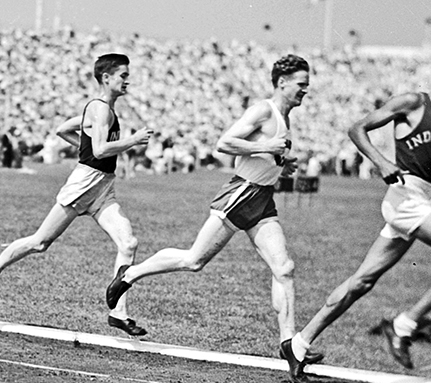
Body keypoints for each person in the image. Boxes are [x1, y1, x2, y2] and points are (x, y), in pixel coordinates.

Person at [282, 53, 431, 383]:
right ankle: (404, 325)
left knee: (362, 282)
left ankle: (298, 343)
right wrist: (380, 162)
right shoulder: (414, 102)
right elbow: (357, 128)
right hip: (404, 196)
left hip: (423, 198)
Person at [104, 56, 317, 350]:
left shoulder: (285, 118)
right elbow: (225, 143)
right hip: (241, 194)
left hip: (263, 200)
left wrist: (283, 163)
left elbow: (264, 156)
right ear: (282, 83)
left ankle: (289, 344)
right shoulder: (263, 111)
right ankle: (129, 274)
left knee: (284, 268)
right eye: (301, 84)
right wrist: (266, 147)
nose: (306, 90)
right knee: (194, 261)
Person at [0, 54, 152, 336]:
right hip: (83, 184)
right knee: (40, 242)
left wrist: (84, 145)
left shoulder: (103, 109)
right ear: (106, 78)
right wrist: (132, 140)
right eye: (123, 75)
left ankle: (118, 313)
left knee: (128, 242)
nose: (127, 80)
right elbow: (100, 150)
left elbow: (63, 130)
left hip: (103, 187)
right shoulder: (99, 108)